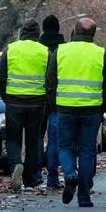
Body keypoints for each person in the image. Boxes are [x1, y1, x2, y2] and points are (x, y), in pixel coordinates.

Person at [46, 18, 106, 207]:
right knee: (87, 152)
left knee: (65, 147)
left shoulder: (61, 51)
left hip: (65, 110)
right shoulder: (101, 53)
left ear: (74, 31)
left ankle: (70, 174)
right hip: (91, 111)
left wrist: (55, 105)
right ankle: (84, 197)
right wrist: (101, 106)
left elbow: (50, 82)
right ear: (93, 34)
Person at [0, 18, 53, 192]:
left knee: (13, 139)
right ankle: (30, 178)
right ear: (38, 34)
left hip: (14, 101)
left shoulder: (11, 49)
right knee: (33, 141)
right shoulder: (45, 51)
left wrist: (6, 97)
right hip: (37, 103)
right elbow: (50, 80)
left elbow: (0, 77)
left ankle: (15, 169)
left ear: (22, 32)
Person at [39, 14, 66, 189]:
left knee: (37, 138)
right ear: (58, 29)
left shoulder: (37, 48)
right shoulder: (64, 49)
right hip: (58, 100)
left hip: (37, 99)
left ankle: (34, 174)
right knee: (55, 140)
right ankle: (52, 177)